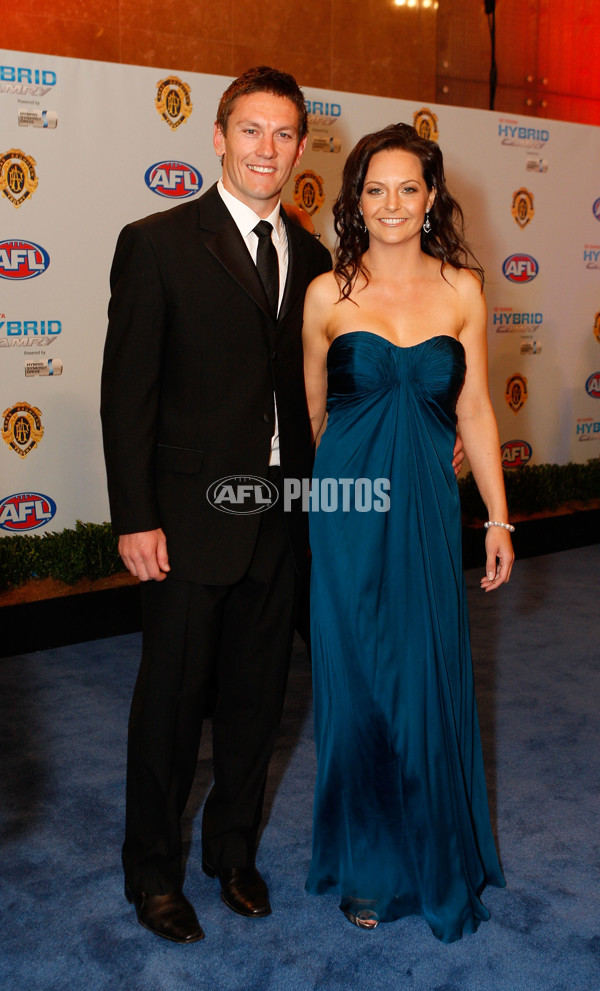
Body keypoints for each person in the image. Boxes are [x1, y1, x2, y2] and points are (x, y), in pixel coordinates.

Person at [100, 66, 331, 943]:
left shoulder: (310, 258)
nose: (266, 149)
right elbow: (128, 395)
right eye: (250, 131)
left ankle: (231, 852)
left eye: (283, 135)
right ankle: (152, 872)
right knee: (169, 703)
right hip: (186, 521)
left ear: (301, 148)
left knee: (256, 700)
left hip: (281, 518)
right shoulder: (156, 241)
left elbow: (323, 389)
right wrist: (134, 515)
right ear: (218, 136)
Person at [302, 123, 514, 942]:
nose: (391, 203)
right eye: (374, 189)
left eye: (408, 188)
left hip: (428, 507)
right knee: (358, 688)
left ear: (431, 199)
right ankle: (370, 866)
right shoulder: (328, 294)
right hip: (349, 512)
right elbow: (317, 415)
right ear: (355, 201)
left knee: (425, 680)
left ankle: (434, 854)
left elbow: (476, 411)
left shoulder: (463, 288)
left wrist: (495, 513)